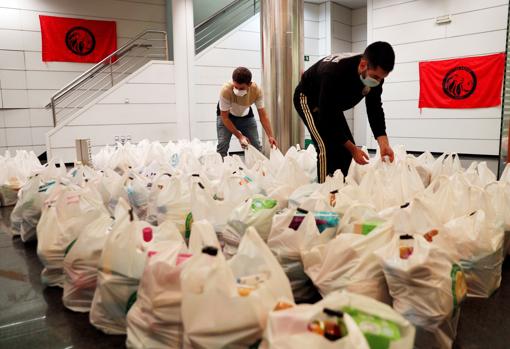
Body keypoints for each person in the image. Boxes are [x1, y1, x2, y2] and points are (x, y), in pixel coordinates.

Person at [293, 41, 396, 182]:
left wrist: (383, 144)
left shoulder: (375, 76)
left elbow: (374, 108)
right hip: (309, 99)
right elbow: (325, 118)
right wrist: (354, 149)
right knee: (326, 147)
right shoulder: (333, 73)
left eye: (382, 78)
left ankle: (340, 188)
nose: (378, 82)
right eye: (376, 77)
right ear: (363, 65)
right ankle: (326, 193)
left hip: (331, 104)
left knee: (345, 150)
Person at [217, 67, 277, 157]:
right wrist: (240, 136)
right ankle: (222, 169)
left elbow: (263, 116)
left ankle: (259, 170)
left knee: (256, 145)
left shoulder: (256, 91)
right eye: (235, 87)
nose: (237, 90)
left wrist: (270, 136)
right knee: (222, 145)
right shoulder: (225, 90)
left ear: (249, 84)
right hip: (227, 116)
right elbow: (224, 117)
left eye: (241, 88)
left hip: (246, 117)